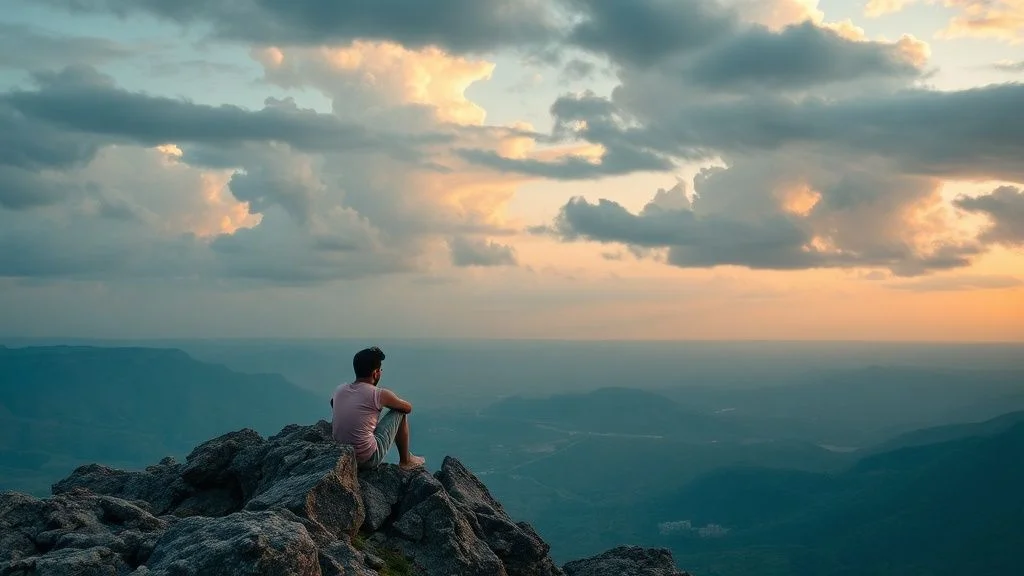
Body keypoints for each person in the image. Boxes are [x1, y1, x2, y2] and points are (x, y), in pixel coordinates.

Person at [330, 346, 425, 470]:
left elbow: (333, 403)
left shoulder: (340, 390)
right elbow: (407, 408)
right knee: (399, 412)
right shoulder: (378, 394)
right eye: (380, 370)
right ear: (375, 373)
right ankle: (406, 461)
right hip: (367, 459)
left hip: (343, 455)